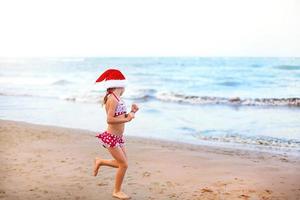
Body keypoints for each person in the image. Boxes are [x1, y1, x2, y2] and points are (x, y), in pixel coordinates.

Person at [93, 69, 139, 200]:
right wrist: (127, 118)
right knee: (123, 165)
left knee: (122, 163)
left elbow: (122, 116)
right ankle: (116, 191)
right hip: (111, 137)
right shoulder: (112, 98)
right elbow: (110, 119)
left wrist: (132, 112)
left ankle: (100, 161)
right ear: (120, 84)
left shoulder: (119, 98)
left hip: (119, 137)